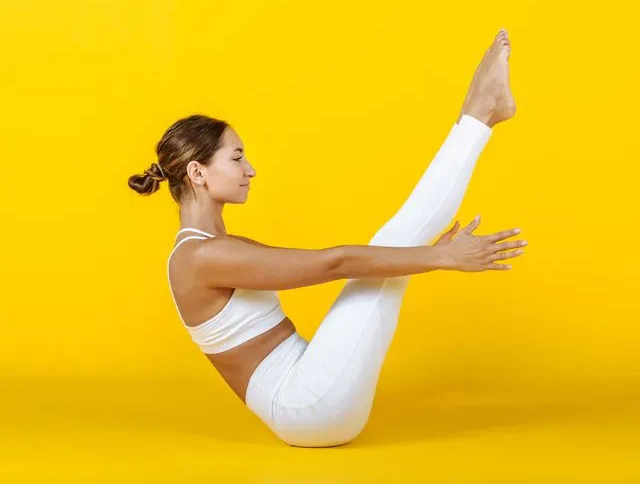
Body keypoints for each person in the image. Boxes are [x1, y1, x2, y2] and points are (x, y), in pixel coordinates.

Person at [128, 28, 527, 447]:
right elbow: (333, 263)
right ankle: (479, 113)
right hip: (306, 406)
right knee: (390, 245)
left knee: (390, 251)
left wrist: (427, 254)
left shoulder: (219, 247)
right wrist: (443, 258)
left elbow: (338, 262)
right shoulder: (202, 256)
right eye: (237, 157)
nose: (250, 170)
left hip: (312, 400)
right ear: (197, 172)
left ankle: (480, 114)